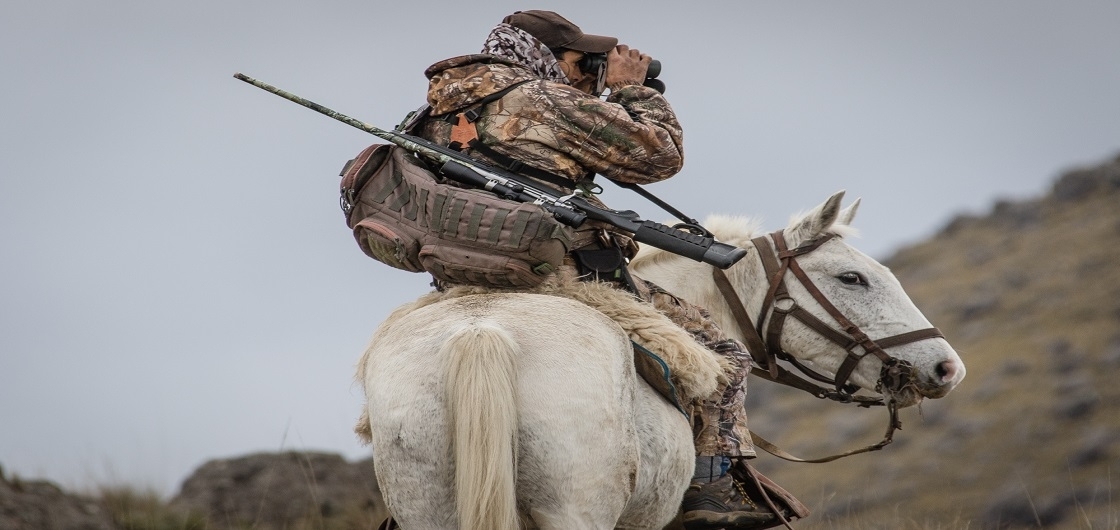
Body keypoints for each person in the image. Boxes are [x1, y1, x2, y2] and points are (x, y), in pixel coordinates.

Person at [408, 10, 805, 529]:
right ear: (543, 56)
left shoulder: (432, 112)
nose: (587, 72)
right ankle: (711, 491)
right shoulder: (546, 98)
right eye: (581, 60)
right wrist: (631, 90)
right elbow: (658, 156)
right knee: (720, 350)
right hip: (563, 277)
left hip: (459, 279)